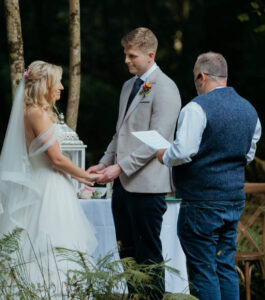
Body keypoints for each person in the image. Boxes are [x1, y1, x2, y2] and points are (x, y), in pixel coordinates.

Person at [157, 52, 261, 300]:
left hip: (201, 202)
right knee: (225, 265)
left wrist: (163, 155)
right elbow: (247, 155)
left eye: (195, 78)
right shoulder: (249, 109)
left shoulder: (196, 108)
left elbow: (182, 152)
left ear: (202, 77)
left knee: (203, 270)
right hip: (234, 199)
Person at [88, 27, 181, 299]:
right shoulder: (128, 86)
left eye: (132, 56)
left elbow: (158, 140)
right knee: (126, 253)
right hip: (123, 187)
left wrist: (120, 167)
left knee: (148, 255)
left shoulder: (166, 87)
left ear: (150, 55)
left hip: (149, 188)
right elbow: (121, 133)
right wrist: (104, 163)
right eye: (125, 54)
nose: (126, 60)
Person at [0, 61, 99, 290]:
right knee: (53, 246)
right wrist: (86, 176)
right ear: (45, 84)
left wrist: (80, 178)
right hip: (49, 188)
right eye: (58, 82)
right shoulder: (38, 114)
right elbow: (56, 158)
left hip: (38, 181)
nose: (62, 87)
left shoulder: (29, 112)